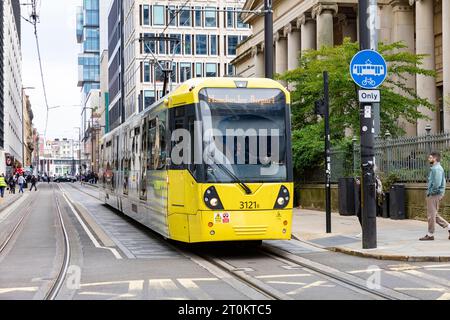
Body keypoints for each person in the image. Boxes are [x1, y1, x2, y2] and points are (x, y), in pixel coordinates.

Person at [420, 151, 450, 241]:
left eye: (430, 158)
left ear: (435, 158)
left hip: (434, 194)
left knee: (431, 215)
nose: (429, 159)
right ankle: (449, 227)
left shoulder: (436, 169)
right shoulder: (436, 168)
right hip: (435, 194)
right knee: (434, 215)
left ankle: (430, 234)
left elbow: (436, 184)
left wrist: (431, 192)